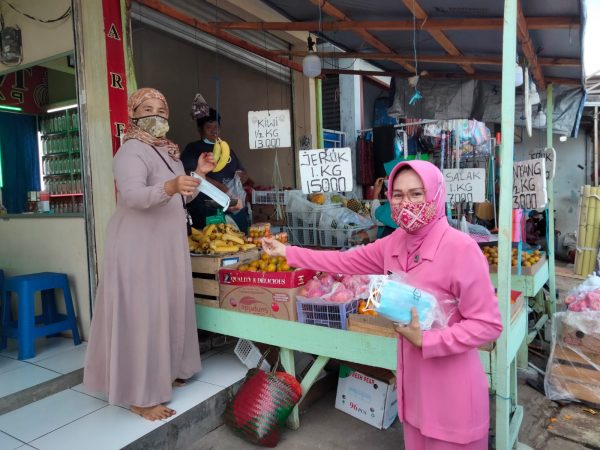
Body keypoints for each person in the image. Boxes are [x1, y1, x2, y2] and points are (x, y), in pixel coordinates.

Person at [262, 160, 503, 449]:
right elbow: (343, 261)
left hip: (453, 397)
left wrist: (429, 340)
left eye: (417, 193)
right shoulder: (394, 243)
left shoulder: (461, 249)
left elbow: (488, 325)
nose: (407, 203)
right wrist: (289, 252)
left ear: (436, 195)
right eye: (398, 195)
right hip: (413, 393)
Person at [84, 88, 215, 421]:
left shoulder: (168, 153)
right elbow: (133, 196)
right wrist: (171, 187)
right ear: (134, 115)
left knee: (168, 308)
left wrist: (196, 175)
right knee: (143, 315)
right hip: (138, 246)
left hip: (166, 245)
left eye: (161, 108)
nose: (156, 114)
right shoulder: (130, 152)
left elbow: (178, 198)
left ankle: (168, 371)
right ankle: (140, 396)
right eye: (147, 108)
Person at [181, 95, 251, 232]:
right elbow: (190, 174)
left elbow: (244, 173)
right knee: (214, 237)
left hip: (231, 201)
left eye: (216, 126)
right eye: (209, 127)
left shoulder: (227, 149)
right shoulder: (193, 149)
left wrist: (241, 177)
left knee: (239, 236)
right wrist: (222, 188)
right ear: (200, 130)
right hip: (206, 205)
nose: (214, 131)